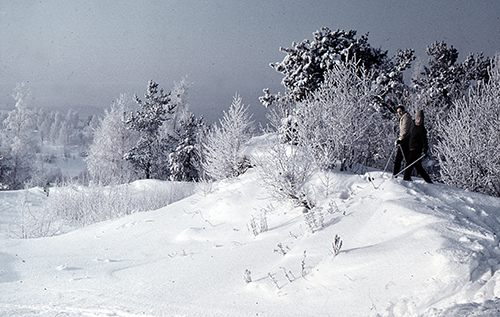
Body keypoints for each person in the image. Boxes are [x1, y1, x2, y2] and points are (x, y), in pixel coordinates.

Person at [403, 110, 433, 183]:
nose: (419, 121)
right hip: (412, 148)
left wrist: (425, 150)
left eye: (420, 119)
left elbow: (424, 140)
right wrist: (402, 141)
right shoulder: (414, 127)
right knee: (418, 167)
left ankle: (405, 180)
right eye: (417, 119)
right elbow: (410, 137)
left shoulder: (421, 129)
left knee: (409, 165)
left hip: (416, 150)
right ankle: (428, 181)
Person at [393, 105, 413, 177]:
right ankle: (404, 175)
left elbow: (404, 130)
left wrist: (399, 140)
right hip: (405, 140)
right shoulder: (403, 118)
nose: (399, 113)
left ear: (404, 111)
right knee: (403, 158)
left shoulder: (406, 118)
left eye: (400, 111)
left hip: (405, 140)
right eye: (398, 112)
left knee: (400, 158)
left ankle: (397, 174)